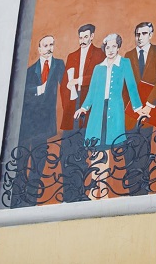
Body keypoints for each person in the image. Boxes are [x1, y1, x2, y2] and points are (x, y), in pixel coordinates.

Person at [75, 33, 144, 199]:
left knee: (105, 152)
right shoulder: (98, 68)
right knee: (95, 151)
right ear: (104, 48)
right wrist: (83, 108)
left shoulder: (124, 63)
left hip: (114, 112)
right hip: (97, 112)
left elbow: (131, 86)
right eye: (108, 47)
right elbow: (92, 92)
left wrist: (138, 108)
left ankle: (103, 191)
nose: (110, 50)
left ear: (118, 47)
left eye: (114, 46)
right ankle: (94, 190)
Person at [13, 35, 65, 207]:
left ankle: (32, 198)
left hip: (44, 121)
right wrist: (38, 89)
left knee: (39, 159)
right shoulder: (30, 71)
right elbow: (21, 92)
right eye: (45, 45)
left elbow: (66, 85)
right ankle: (18, 198)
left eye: (51, 44)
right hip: (27, 122)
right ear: (39, 49)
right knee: (21, 160)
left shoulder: (58, 65)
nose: (49, 48)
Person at [59, 24, 105, 202]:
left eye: (86, 37)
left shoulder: (100, 54)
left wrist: (80, 80)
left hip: (90, 109)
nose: (83, 40)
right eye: (80, 37)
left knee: (87, 152)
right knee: (68, 152)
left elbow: (99, 77)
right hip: (72, 110)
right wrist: (67, 107)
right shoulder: (72, 56)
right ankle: (70, 194)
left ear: (92, 36)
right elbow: (65, 84)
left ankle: (85, 193)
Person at [124, 21, 156, 195]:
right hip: (131, 112)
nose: (140, 37)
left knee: (144, 149)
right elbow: (125, 83)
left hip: (149, 111)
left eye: (144, 34)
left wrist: (149, 105)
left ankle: (143, 191)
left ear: (150, 35)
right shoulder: (128, 55)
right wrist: (134, 107)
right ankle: (132, 191)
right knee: (129, 152)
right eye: (137, 34)